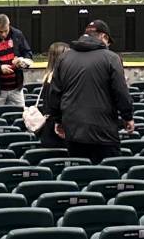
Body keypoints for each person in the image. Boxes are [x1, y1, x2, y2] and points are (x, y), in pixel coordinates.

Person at [37, 19, 133, 160]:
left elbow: (55, 94)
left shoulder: (63, 58)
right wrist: (127, 117)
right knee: (107, 176)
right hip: (104, 132)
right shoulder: (112, 58)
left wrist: (58, 120)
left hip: (74, 132)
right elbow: (121, 92)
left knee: (79, 174)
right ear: (103, 37)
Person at [0, 11, 31, 110]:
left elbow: (28, 53)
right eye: (0, 31)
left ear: (9, 25)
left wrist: (22, 61)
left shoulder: (18, 35)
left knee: (20, 117)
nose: (3, 34)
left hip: (16, 88)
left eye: (5, 31)